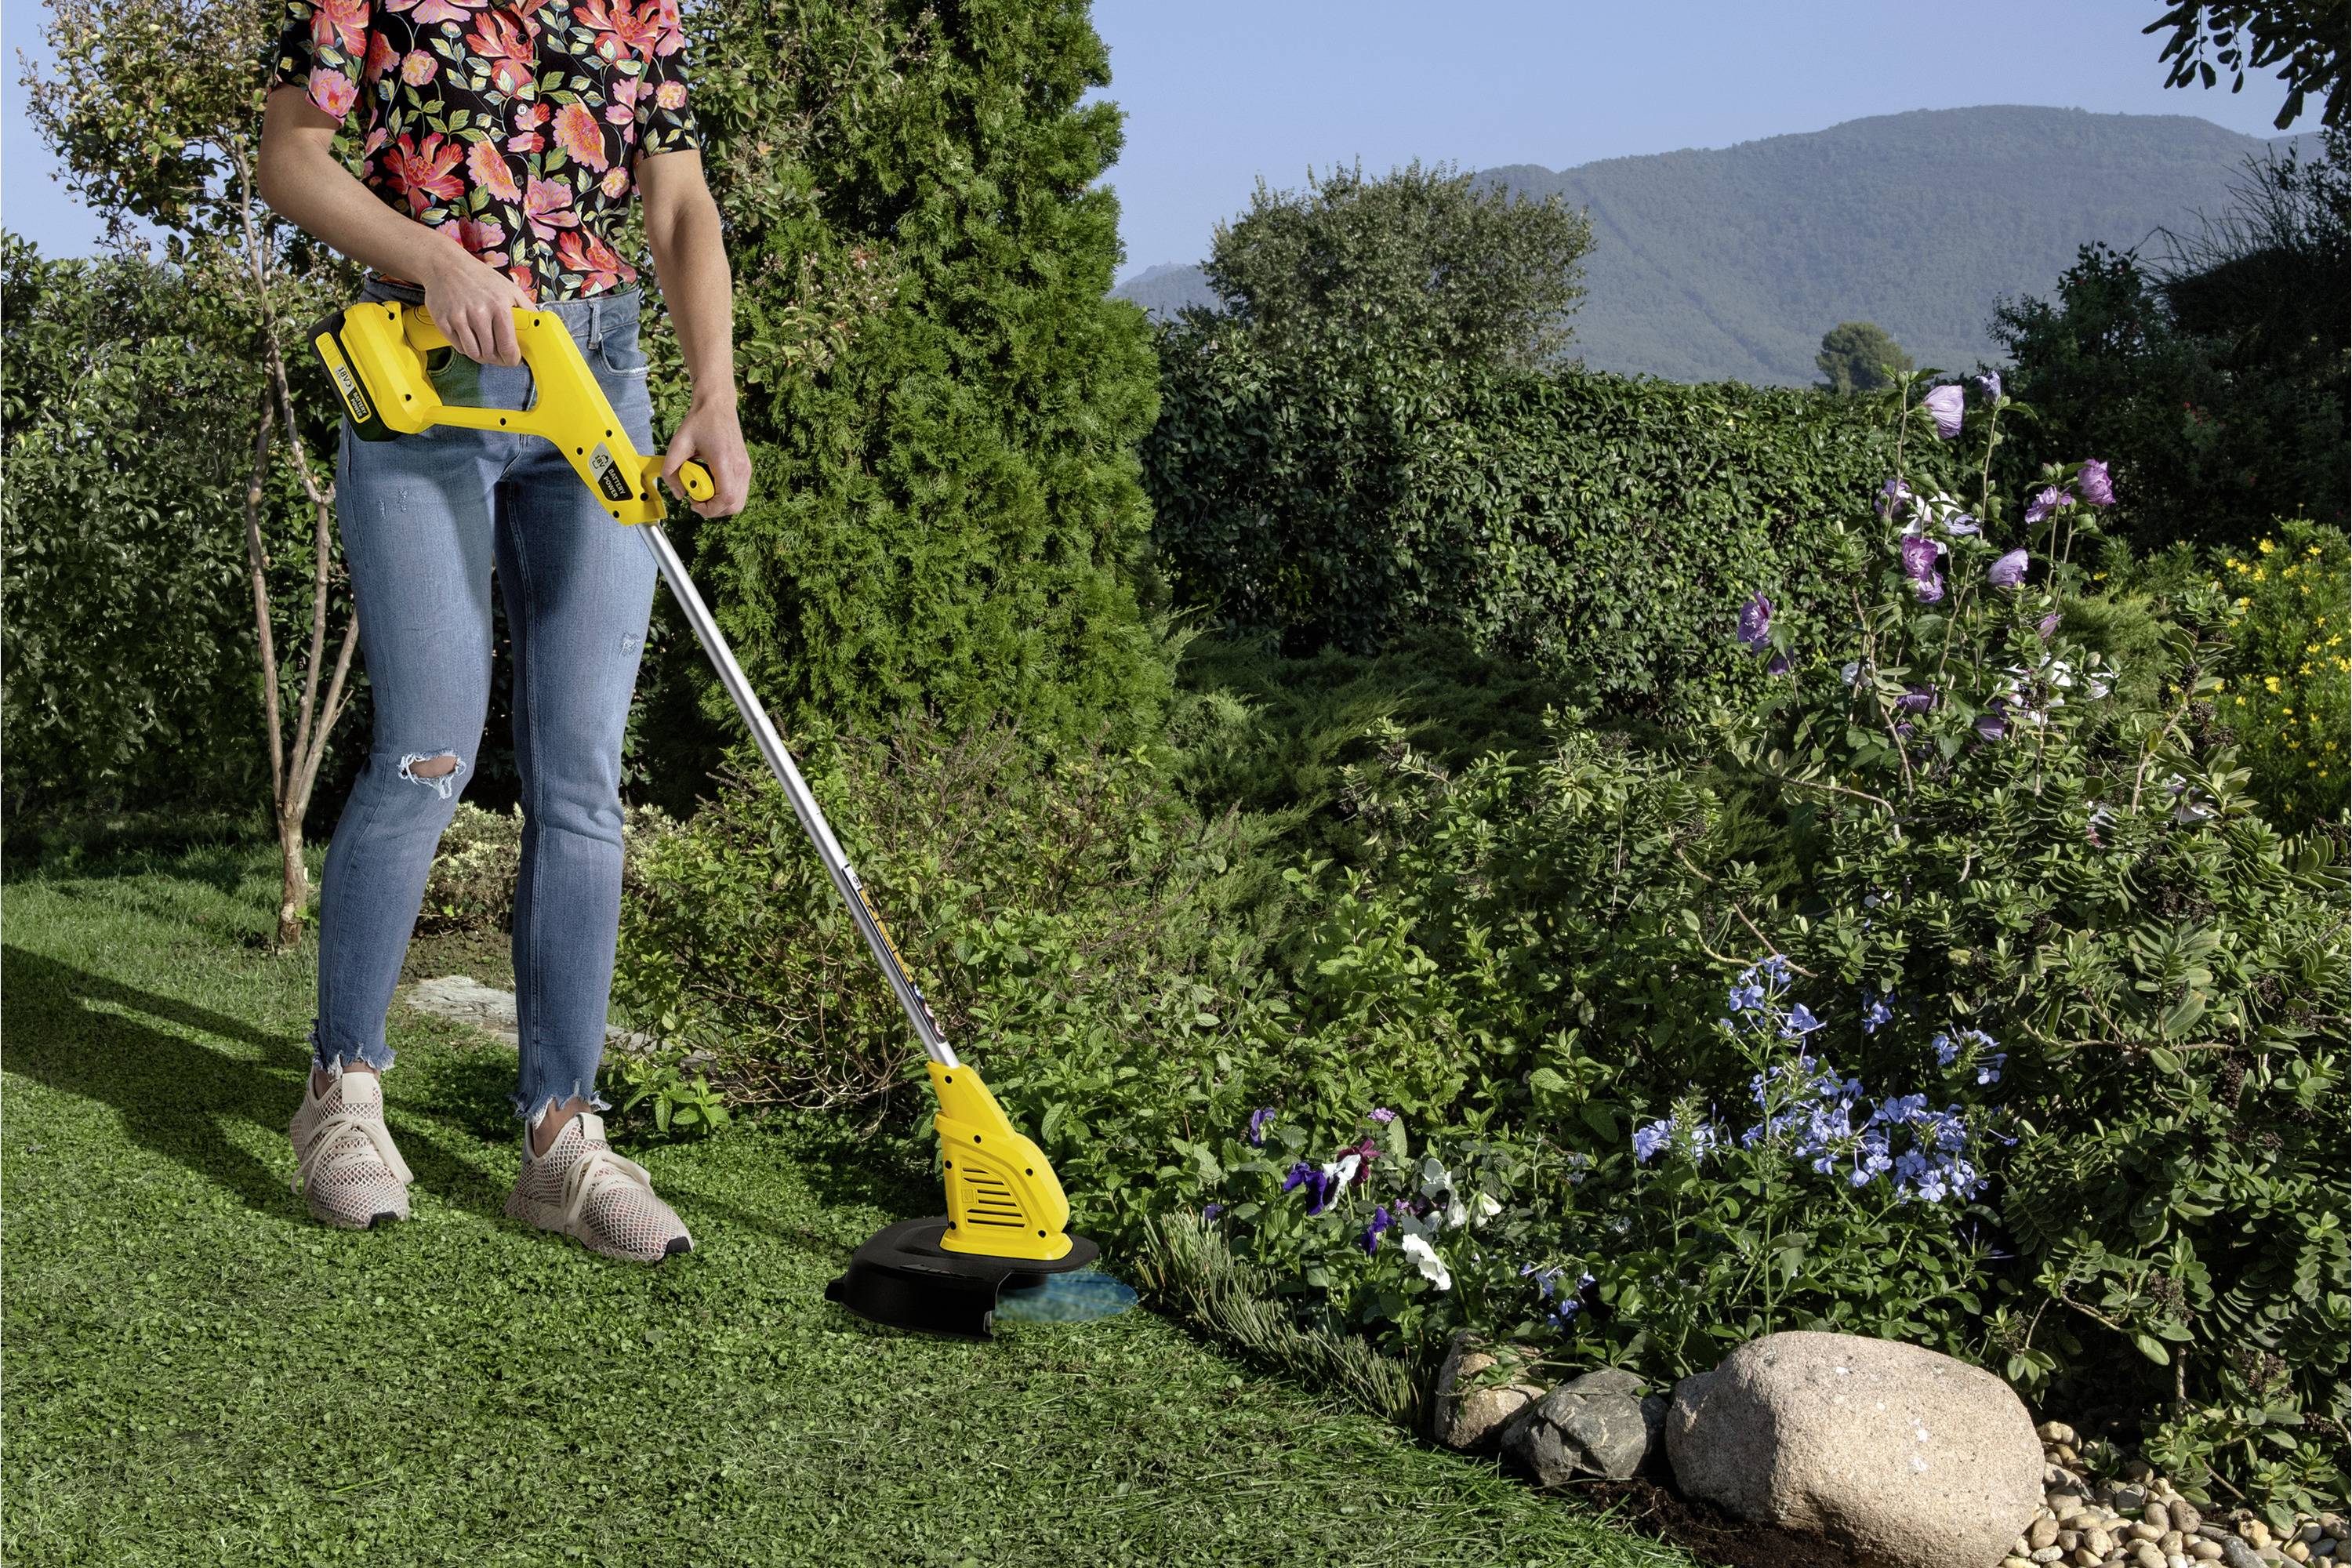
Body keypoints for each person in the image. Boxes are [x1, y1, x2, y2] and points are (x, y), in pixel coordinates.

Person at [256, 0, 750, 1262]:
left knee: (582, 775)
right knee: (430, 744)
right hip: (427, 377)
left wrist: (714, 396)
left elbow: (679, 206)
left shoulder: (638, 7)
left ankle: (560, 1139)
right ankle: (343, 1093)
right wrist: (432, 254)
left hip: (600, 371)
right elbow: (293, 159)